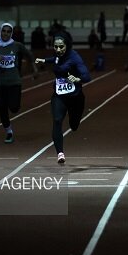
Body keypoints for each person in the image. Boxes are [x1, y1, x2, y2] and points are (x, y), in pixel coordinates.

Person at [35, 33, 91, 163]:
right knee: (57, 120)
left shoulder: (75, 57)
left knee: (74, 125)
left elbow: (87, 76)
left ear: (67, 46)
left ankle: (75, 121)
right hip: (59, 95)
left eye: (61, 47)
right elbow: (54, 59)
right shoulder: (57, 56)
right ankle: (60, 153)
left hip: (75, 97)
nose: (58, 50)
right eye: (56, 47)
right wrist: (43, 60)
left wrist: (78, 79)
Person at [0, 23, 39, 143]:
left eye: (8, 31)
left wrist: (34, 68)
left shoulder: (17, 45)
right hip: (0, 83)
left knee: (14, 108)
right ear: (0, 32)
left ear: (11, 33)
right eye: (4, 31)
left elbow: (29, 55)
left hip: (14, 82)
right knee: (2, 108)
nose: (6, 33)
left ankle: (13, 109)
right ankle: (9, 131)